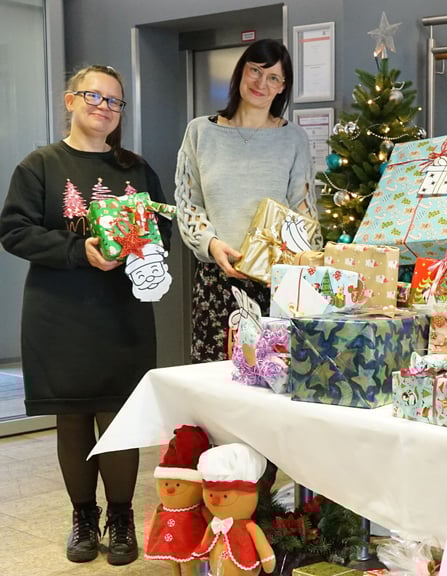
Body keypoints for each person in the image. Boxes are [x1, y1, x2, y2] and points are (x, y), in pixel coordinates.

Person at [0, 64, 169, 566]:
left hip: (123, 314)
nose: (104, 106)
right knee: (72, 417)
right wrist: (80, 250)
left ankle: (120, 518)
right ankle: (83, 517)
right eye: (93, 95)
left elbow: (160, 228)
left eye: (114, 101)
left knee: (118, 416)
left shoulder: (135, 169)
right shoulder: (40, 165)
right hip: (59, 313)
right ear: (69, 101)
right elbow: (14, 231)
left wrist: (148, 258)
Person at [175, 38, 319, 364]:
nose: (261, 83)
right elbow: (188, 203)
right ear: (241, 72)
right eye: (255, 70)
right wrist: (211, 244)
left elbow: (304, 211)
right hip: (216, 281)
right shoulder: (200, 132)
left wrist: (297, 260)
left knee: (272, 381)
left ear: (283, 88)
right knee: (214, 381)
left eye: (273, 78)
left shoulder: (293, 138)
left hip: (276, 285)